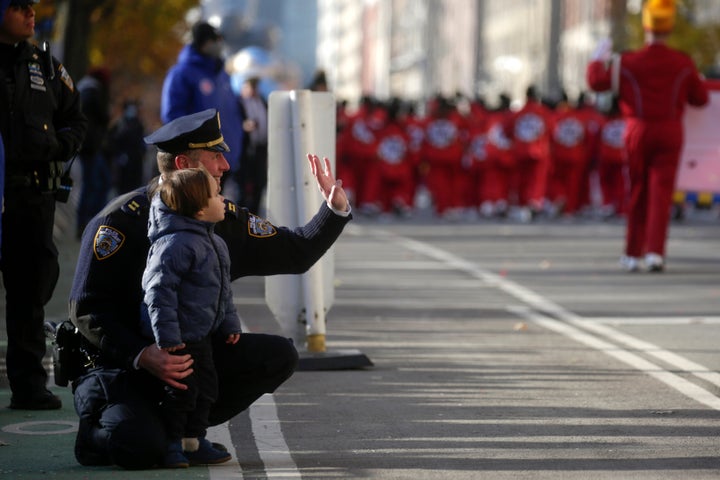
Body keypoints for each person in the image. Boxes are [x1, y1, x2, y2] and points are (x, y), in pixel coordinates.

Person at [66, 108, 351, 469]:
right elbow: (88, 309)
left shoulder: (221, 217)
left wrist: (333, 210)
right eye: (215, 156)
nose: (225, 166)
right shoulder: (120, 222)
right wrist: (144, 354)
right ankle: (101, 432)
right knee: (139, 447)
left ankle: (188, 428)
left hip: (191, 361)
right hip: (126, 368)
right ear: (185, 163)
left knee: (277, 355)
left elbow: (294, 253)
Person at [0, 0, 87, 410]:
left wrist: (58, 146)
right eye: (19, 6)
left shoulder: (46, 65)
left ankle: (28, 384)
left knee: (30, 290)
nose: (30, 14)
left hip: (31, 195)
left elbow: (76, 119)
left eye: (31, 6)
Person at [586, 0, 709, 272]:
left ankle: (632, 253)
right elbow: (700, 99)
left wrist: (596, 60)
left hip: (638, 130)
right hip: (670, 130)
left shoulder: (627, 61)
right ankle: (655, 252)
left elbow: (597, 82)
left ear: (645, 26)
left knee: (637, 190)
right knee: (661, 193)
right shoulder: (682, 62)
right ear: (670, 26)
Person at [141, 167, 240, 468]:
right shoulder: (175, 245)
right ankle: (172, 444)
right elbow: (158, 293)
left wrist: (229, 322)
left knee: (206, 390)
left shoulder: (215, 242)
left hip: (202, 335)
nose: (223, 199)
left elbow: (223, 290)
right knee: (180, 393)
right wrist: (168, 337)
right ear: (199, 209)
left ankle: (193, 442)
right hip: (179, 339)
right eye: (216, 194)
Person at [161, 20, 244, 195]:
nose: (219, 45)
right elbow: (173, 117)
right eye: (216, 40)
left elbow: (232, 113)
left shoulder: (222, 75)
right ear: (205, 43)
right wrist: (192, 152)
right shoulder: (182, 74)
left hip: (225, 159)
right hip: (198, 163)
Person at [75, 66, 112, 238]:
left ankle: (90, 222)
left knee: (97, 182)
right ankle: (91, 223)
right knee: (94, 184)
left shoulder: (84, 88)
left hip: (87, 145)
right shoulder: (93, 92)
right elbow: (102, 116)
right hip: (90, 146)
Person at [237, 76, 268, 214]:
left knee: (260, 182)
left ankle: (255, 213)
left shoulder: (262, 101)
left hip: (260, 147)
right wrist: (243, 127)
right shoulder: (238, 103)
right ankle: (241, 213)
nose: (253, 90)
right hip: (244, 149)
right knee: (242, 184)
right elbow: (233, 123)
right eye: (250, 87)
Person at [107, 99, 147, 194]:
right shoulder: (120, 124)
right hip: (123, 163)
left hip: (136, 161)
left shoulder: (139, 124)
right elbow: (114, 141)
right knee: (123, 188)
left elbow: (142, 142)